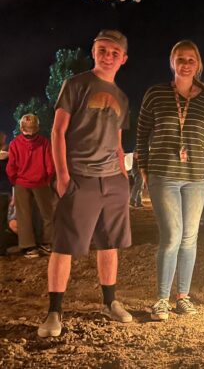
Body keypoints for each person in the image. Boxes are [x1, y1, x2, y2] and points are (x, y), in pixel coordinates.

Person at [38, 30, 132, 338]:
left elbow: (118, 142)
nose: (108, 56)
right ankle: (54, 311)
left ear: (123, 59)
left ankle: (110, 301)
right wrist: (63, 176)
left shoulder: (121, 97)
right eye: (102, 50)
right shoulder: (76, 84)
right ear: (94, 52)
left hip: (113, 181)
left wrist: (122, 176)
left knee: (109, 243)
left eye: (114, 52)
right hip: (80, 177)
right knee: (64, 244)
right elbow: (57, 131)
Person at [136, 40, 204, 321]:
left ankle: (182, 296)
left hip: (196, 177)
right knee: (171, 236)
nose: (185, 64)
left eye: (191, 59)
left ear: (198, 64)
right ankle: (161, 298)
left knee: (189, 238)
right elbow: (142, 132)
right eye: (180, 59)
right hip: (164, 174)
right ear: (172, 62)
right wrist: (144, 168)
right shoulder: (156, 94)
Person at [6, 115, 56, 258]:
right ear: (37, 127)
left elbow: (11, 168)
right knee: (47, 214)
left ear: (21, 128)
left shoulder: (14, 144)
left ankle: (28, 247)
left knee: (24, 216)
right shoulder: (44, 142)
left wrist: (15, 181)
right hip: (41, 183)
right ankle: (47, 243)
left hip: (21, 183)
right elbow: (50, 166)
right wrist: (47, 179)